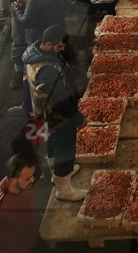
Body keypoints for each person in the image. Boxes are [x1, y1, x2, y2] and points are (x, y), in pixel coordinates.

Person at [22, 25, 87, 202]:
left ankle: (55, 175)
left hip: (42, 112)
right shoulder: (46, 69)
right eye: (59, 46)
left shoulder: (34, 53)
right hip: (57, 115)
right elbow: (60, 101)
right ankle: (64, 189)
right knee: (65, 150)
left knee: (52, 143)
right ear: (48, 43)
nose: (62, 49)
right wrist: (77, 118)